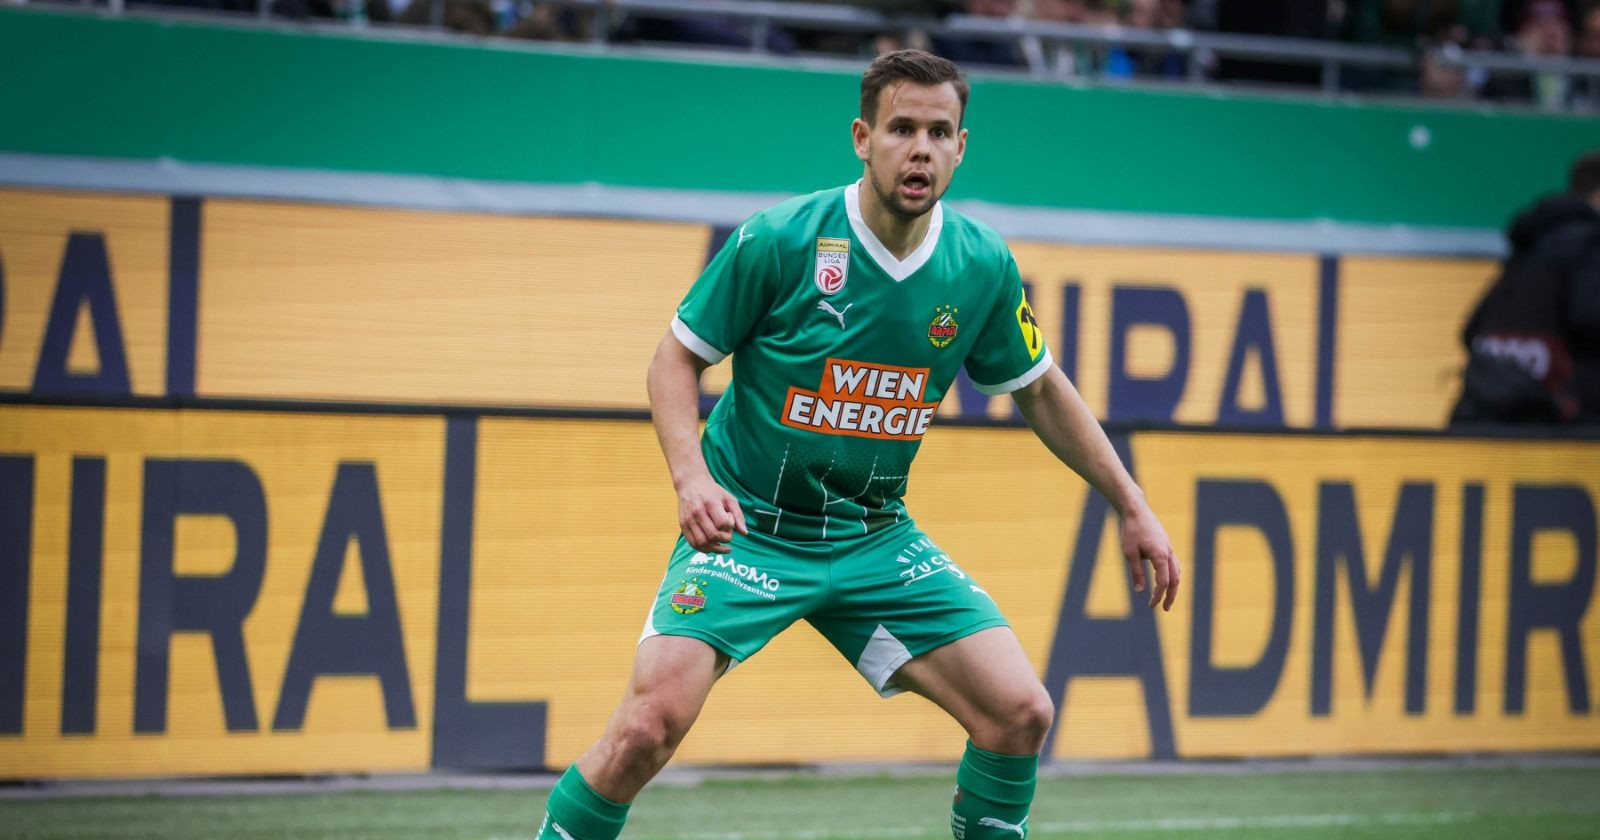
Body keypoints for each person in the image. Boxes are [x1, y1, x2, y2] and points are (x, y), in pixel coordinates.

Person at [535, 49, 1182, 840]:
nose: (921, 149)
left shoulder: (980, 264)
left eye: (939, 132)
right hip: (750, 531)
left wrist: (1132, 503)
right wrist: (691, 478)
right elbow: (674, 359)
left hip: (874, 537)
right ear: (862, 138)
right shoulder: (781, 239)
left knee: (1020, 712)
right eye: (902, 128)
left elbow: (1040, 388)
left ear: (961, 147)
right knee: (646, 729)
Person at [1452, 150, 1600, 424]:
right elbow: (1589, 316)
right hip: (1564, 419)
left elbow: (1472, 330)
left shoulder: (1529, 247)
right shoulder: (1590, 244)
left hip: (1487, 414)